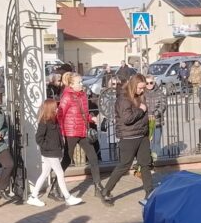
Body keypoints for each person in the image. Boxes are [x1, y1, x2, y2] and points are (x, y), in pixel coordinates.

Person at [100, 74, 155, 207]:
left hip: (141, 136)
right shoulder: (124, 99)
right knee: (124, 165)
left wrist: (147, 134)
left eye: (144, 88)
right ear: (133, 85)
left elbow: (143, 119)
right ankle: (106, 191)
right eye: (140, 88)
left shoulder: (140, 97)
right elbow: (127, 119)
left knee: (145, 164)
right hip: (128, 137)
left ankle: (150, 193)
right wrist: (141, 110)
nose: (142, 90)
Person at [26, 99, 83, 207]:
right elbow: (39, 138)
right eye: (55, 108)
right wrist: (48, 147)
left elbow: (57, 136)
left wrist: (60, 146)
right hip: (49, 153)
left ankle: (33, 196)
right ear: (50, 109)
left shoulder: (54, 121)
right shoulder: (44, 122)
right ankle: (68, 197)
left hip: (52, 152)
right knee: (60, 173)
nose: (57, 109)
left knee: (44, 174)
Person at [58, 72, 104, 200]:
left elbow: (83, 114)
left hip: (82, 131)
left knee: (93, 158)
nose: (81, 84)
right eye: (79, 82)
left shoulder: (83, 95)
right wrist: (62, 133)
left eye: (81, 81)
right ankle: (56, 187)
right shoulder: (66, 96)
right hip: (71, 132)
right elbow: (60, 116)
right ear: (71, 84)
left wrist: (91, 118)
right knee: (67, 160)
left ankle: (98, 186)